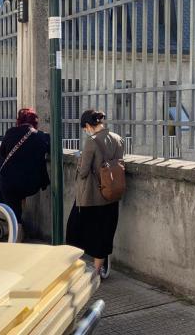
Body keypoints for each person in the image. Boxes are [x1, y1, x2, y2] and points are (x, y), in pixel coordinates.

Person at [66, 110, 124, 278]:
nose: (86, 131)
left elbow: (83, 172)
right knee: (104, 233)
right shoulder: (118, 139)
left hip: (91, 197)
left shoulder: (91, 142)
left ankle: (74, 269)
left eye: (85, 128)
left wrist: (80, 159)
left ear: (89, 126)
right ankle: (98, 272)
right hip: (112, 193)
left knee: (74, 231)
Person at [0, 108, 50, 236]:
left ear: (18, 120)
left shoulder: (10, 133)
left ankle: (17, 230)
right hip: (31, 183)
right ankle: (19, 224)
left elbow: (2, 153)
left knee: (13, 202)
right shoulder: (41, 136)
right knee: (20, 196)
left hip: (9, 181)